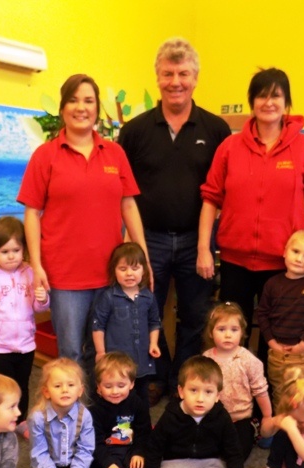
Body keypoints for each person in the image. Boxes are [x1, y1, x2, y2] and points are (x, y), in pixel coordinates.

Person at [197, 67, 304, 363]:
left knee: (279, 334)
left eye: (276, 95)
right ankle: (232, 395)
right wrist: (204, 249)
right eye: (261, 95)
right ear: (252, 102)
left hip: (284, 265)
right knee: (230, 332)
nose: (268, 102)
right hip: (236, 260)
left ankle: (270, 397)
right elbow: (211, 198)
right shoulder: (230, 147)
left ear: (287, 102)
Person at [119, 38, 231, 405]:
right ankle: (156, 377)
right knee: (145, 312)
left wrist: (206, 246)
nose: (175, 81)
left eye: (183, 73)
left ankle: (183, 381)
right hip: (147, 238)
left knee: (195, 316)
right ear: (157, 77)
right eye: (168, 73)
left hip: (195, 241)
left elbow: (218, 192)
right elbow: (124, 193)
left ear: (196, 78)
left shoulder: (216, 131)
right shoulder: (134, 132)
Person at [18, 74, 149, 370]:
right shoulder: (45, 156)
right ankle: (76, 415)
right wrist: (36, 265)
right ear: (63, 108)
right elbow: (31, 213)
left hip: (110, 273)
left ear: (96, 108)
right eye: (74, 100)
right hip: (65, 276)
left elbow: (128, 205)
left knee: (107, 352)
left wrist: (142, 256)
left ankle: (102, 413)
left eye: (89, 100)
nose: (81, 107)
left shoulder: (115, 153)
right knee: (72, 354)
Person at [0, 216, 50, 437]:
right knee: (1, 388)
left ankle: (20, 420)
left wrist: (43, 298)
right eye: (5, 252)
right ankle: (0, 421)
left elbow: (38, 307)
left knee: (22, 385)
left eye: (16, 250)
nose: (11, 256)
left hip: (25, 345)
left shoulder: (30, 272)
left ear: (23, 249)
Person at [255, 229, 304, 409]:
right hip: (277, 353)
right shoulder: (273, 283)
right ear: (285, 251)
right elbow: (263, 313)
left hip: (302, 354)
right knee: (279, 395)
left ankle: (301, 431)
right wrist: (271, 342)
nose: (299, 259)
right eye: (295, 251)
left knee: (301, 398)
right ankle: (282, 430)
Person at [89, 352, 166, 468]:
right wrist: (109, 464)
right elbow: (95, 442)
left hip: (131, 448)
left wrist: (139, 452)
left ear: (131, 384)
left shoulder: (138, 403)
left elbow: (144, 431)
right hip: (105, 454)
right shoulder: (94, 410)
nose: (115, 391)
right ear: (98, 387)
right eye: (108, 386)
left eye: (121, 385)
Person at [91, 242, 161, 404]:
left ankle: (142, 428)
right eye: (123, 269)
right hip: (116, 362)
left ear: (144, 270)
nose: (129, 274)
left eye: (135, 268)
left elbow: (154, 322)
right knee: (115, 397)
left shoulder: (148, 297)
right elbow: (98, 325)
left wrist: (154, 343)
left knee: (141, 398)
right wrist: (100, 352)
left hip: (141, 360)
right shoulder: (109, 297)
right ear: (114, 271)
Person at [202, 302, 271, 460]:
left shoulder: (248, 360)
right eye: (221, 329)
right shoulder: (206, 358)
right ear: (211, 333)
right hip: (212, 416)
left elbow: (260, 390)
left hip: (240, 419)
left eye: (234, 330)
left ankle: (251, 434)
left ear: (241, 333)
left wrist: (267, 416)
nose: (228, 335)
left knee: (237, 454)